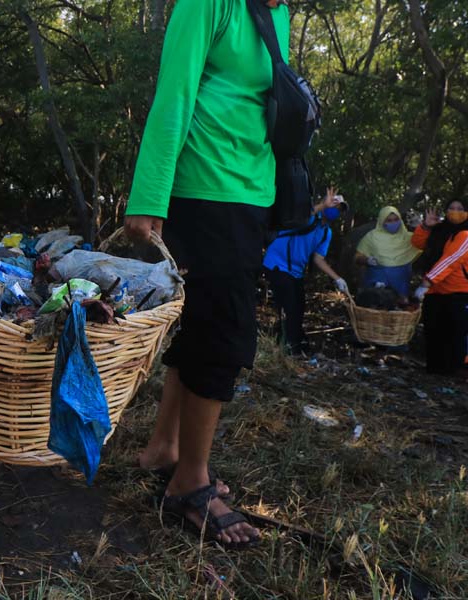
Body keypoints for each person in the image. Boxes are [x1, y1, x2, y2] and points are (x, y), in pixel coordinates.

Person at [125, 0, 294, 548]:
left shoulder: (279, 13)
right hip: (205, 188)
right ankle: (190, 484)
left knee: (202, 326)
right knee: (225, 332)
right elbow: (174, 93)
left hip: (250, 193)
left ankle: (165, 451)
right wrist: (148, 196)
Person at [263, 190, 349, 354]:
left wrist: (338, 279)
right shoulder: (309, 218)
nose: (335, 210)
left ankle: (292, 342)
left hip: (295, 271)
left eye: (339, 209)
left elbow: (318, 259)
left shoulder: (326, 232)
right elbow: (302, 215)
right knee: (290, 305)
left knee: (299, 306)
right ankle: (288, 346)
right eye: (334, 205)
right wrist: (323, 205)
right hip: (277, 264)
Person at [411, 202, 468, 375]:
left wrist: (427, 282)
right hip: (436, 291)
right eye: (451, 208)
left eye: (460, 209)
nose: (455, 212)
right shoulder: (440, 229)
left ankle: (457, 369)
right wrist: (426, 226)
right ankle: (435, 369)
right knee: (434, 330)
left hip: (459, 291)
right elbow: (418, 243)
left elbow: (450, 261)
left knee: (456, 332)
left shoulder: (465, 234)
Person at [354, 206, 421, 298]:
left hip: (401, 284)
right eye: (389, 220)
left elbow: (425, 244)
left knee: (400, 308)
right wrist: (367, 260)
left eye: (396, 219)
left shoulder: (409, 238)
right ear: (382, 221)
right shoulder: (371, 237)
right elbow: (357, 257)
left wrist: (421, 227)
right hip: (377, 282)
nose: (393, 223)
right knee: (376, 306)